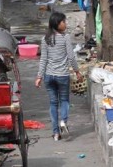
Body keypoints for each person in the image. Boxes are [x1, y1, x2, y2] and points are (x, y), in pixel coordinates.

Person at [35, 12, 84, 141]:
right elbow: (71, 56)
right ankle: (63, 120)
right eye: (64, 21)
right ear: (57, 23)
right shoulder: (65, 38)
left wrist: (39, 76)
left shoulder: (45, 39)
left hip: (49, 76)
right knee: (64, 100)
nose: (65, 24)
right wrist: (77, 71)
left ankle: (56, 133)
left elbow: (43, 59)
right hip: (62, 75)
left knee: (53, 103)